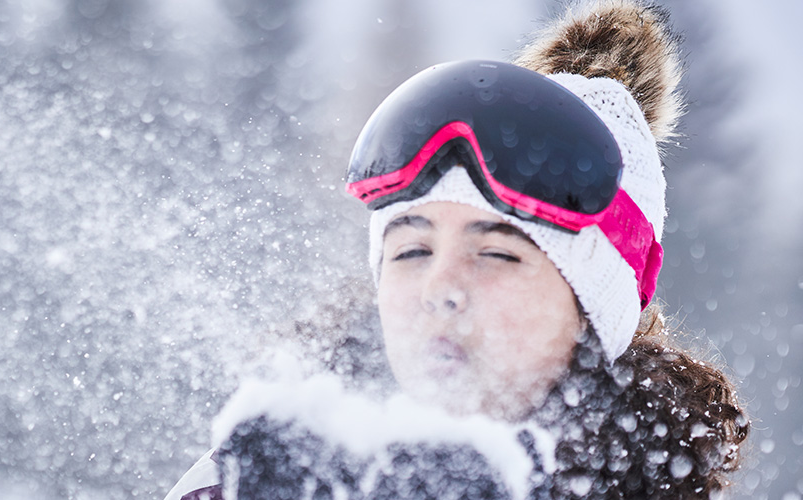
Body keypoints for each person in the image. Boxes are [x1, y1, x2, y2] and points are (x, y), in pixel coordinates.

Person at [166, 1, 748, 499]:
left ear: (593, 317)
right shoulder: (279, 471)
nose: (440, 290)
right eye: (411, 252)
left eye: (496, 254)